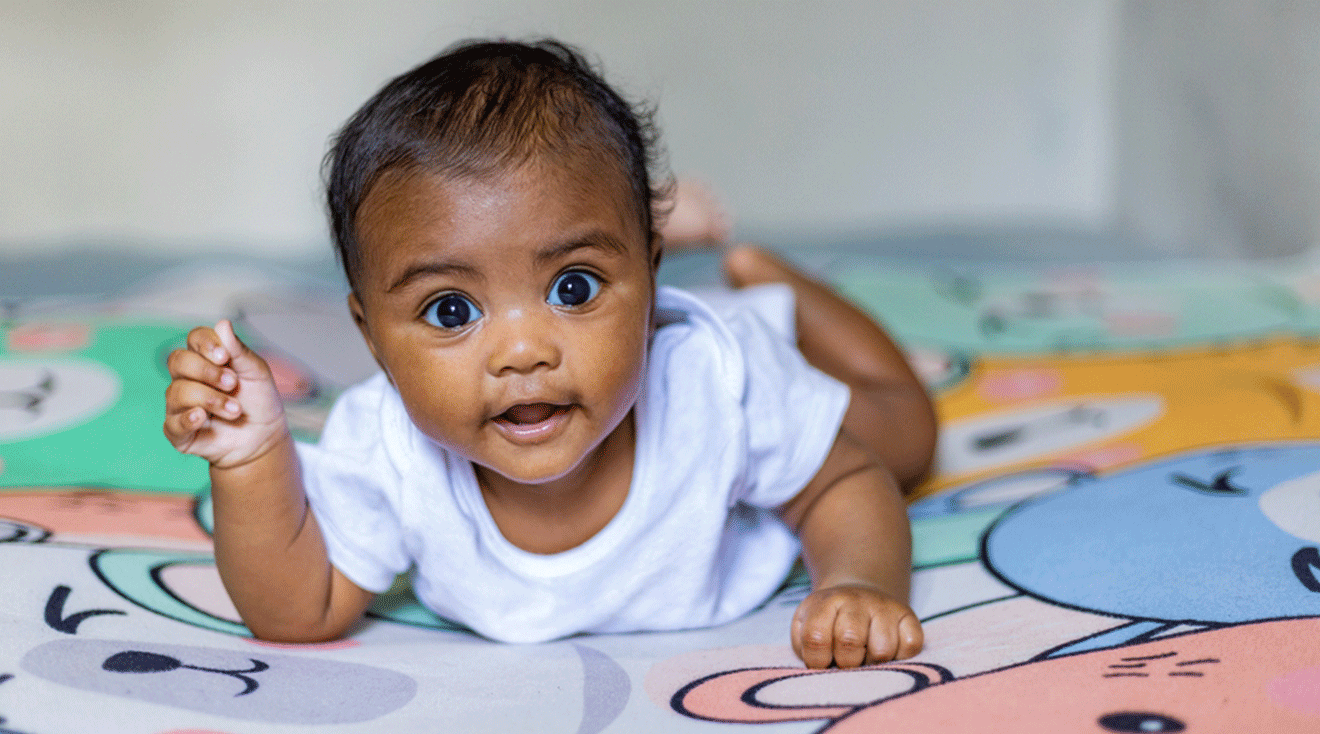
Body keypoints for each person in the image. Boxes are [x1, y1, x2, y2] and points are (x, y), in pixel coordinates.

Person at [162, 38, 936, 670]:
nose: (524, 351)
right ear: (371, 337)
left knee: (904, 438)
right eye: (451, 310)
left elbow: (843, 484)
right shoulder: (389, 449)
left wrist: (858, 581)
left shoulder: (710, 379)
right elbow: (300, 609)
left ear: (650, 273)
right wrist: (251, 459)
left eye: (573, 287)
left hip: (738, 339)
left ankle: (768, 277)